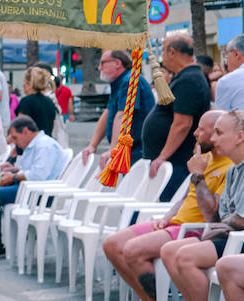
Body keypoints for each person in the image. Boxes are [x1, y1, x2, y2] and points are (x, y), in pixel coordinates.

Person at [104, 110, 229, 301]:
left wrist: (199, 176)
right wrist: (166, 217)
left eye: (202, 129)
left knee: (132, 250)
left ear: (217, 134)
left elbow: (213, 215)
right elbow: (184, 198)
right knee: (112, 244)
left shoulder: (228, 165)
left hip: (196, 229)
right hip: (175, 223)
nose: (195, 132)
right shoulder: (205, 158)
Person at [160, 110, 244, 301]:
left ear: (239, 137)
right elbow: (214, 216)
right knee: (169, 250)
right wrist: (198, 177)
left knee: (185, 256)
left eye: (219, 133)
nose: (213, 139)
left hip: (236, 241)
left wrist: (224, 224)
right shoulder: (233, 171)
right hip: (227, 236)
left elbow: (238, 219)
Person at [142, 35, 212, 202]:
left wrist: (162, 156)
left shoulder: (189, 80)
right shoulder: (186, 77)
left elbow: (182, 124)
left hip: (176, 162)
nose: (162, 58)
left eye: (164, 52)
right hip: (173, 161)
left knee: (164, 205)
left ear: (172, 52)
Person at [82, 50, 152, 166]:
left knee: (131, 183)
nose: (99, 68)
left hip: (138, 150)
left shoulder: (129, 80)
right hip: (132, 149)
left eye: (102, 63)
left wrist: (114, 149)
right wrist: (93, 145)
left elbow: (122, 116)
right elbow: (108, 112)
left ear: (117, 63)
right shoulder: (121, 81)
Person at [13, 66, 59, 138]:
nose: (23, 85)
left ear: (29, 84)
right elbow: (52, 125)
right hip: (47, 143)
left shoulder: (26, 102)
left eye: (24, 81)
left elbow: (19, 127)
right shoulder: (50, 102)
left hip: (30, 145)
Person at [213, 34, 244, 111]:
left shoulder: (227, 81)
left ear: (236, 54)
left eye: (226, 55)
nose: (226, 62)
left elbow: (221, 117)